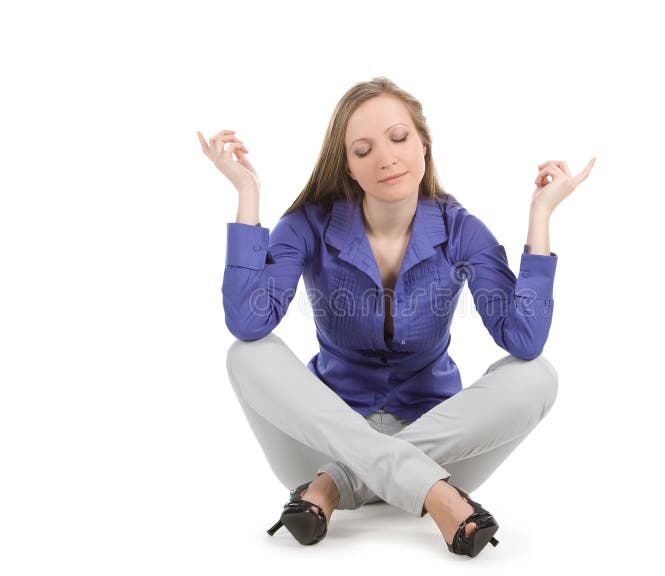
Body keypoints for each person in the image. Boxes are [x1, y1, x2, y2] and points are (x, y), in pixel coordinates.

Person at [198, 77, 595, 557]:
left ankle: (334, 487)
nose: (386, 157)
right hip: (325, 441)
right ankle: (428, 494)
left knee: (538, 376)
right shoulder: (308, 224)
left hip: (439, 446)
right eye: (363, 149)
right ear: (348, 166)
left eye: (399, 138)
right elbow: (247, 320)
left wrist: (541, 216)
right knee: (248, 353)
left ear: (423, 143)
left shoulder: (460, 227)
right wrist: (247, 191)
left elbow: (524, 339)